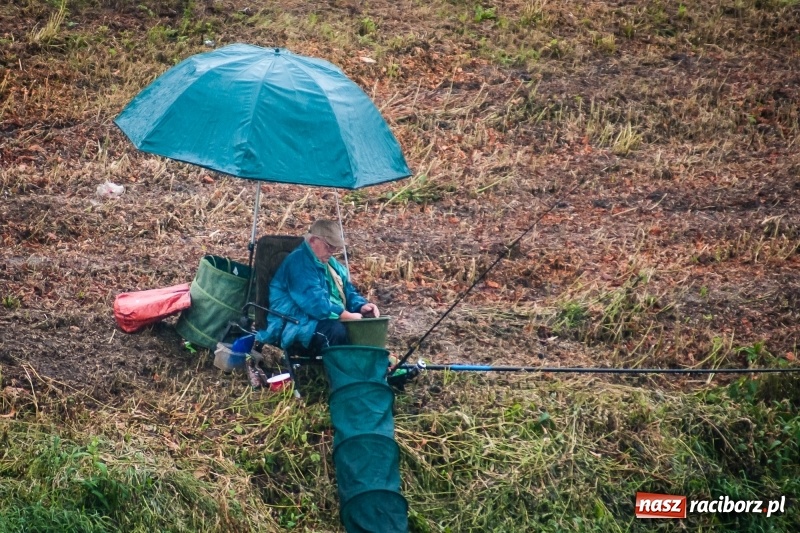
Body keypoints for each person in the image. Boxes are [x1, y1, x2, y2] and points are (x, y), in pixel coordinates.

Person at [256, 219, 380, 356]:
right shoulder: (299, 263)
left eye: (335, 247)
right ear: (313, 240)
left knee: (370, 327)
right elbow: (315, 304)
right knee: (334, 332)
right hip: (292, 323)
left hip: (316, 319)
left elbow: (347, 290)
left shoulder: (331, 264)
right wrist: (347, 315)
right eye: (329, 246)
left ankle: (365, 368)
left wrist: (361, 306)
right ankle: (341, 374)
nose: (332, 251)